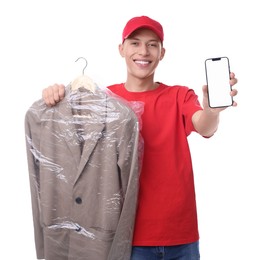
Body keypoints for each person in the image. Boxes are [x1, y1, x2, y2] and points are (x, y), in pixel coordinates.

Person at [42, 15, 238, 260]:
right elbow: (72, 145)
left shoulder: (179, 96)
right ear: (121, 49)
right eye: (135, 43)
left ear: (162, 52)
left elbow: (205, 126)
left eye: (152, 44)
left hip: (181, 236)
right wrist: (56, 98)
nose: (143, 51)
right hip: (127, 237)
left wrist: (212, 109)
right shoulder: (104, 100)